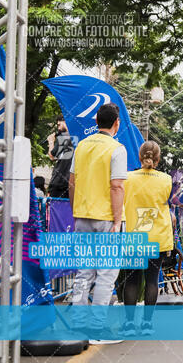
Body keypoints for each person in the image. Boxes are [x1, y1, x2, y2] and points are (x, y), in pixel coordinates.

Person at [68, 103, 127, 344]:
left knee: (84, 272)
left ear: (96, 122)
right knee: (105, 275)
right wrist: (116, 220)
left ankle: (78, 326)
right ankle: (97, 328)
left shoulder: (81, 146)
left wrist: (76, 211)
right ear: (116, 123)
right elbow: (117, 186)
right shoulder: (117, 149)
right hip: (106, 220)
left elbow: (71, 182)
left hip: (82, 216)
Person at [120, 141, 174, 336]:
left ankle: (128, 325)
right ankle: (147, 324)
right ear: (158, 159)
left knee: (132, 280)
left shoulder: (127, 178)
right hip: (157, 237)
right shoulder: (167, 179)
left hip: (134, 236)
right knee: (152, 280)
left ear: (140, 157)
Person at [48, 115, 75, 198]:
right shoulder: (77, 137)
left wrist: (51, 141)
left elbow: (52, 156)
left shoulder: (64, 136)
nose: (58, 128)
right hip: (72, 183)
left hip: (59, 182)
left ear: (65, 121)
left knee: (56, 209)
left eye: (59, 125)